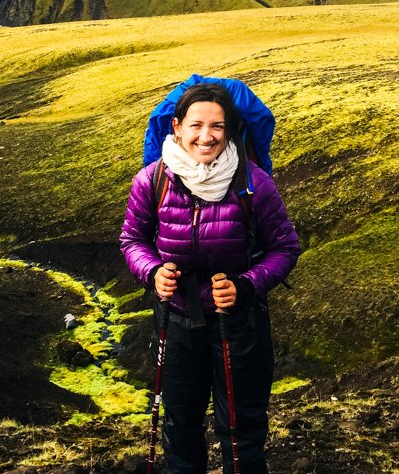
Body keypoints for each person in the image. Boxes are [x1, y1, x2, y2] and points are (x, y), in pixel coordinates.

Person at [121, 82, 301, 474]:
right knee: (180, 427)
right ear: (176, 127)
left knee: (241, 430)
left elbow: (285, 248)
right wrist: (152, 273)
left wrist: (246, 285)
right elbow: (133, 239)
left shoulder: (253, 184)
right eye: (197, 125)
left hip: (239, 325)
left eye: (218, 126)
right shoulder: (152, 181)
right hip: (178, 322)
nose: (207, 136)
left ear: (231, 130)